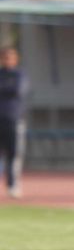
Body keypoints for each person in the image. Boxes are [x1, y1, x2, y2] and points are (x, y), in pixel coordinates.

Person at [0, 46, 28, 199]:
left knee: (13, 154)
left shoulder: (19, 75)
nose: (8, 60)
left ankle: (12, 185)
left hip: (13, 119)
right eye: (5, 57)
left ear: (16, 59)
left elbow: (18, 91)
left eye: (11, 57)